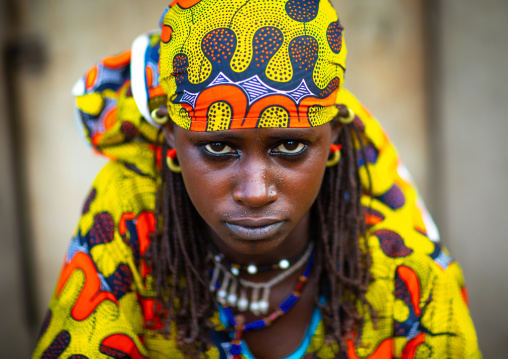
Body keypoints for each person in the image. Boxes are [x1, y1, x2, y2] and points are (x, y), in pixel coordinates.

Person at [32, 0, 481, 358]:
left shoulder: (410, 282)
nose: (254, 191)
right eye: (217, 147)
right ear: (171, 136)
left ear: (333, 139)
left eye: (289, 147)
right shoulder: (127, 231)